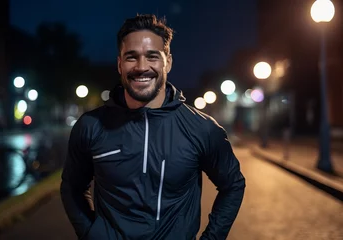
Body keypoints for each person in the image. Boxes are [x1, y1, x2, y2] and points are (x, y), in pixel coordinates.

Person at [61, 14, 245, 240]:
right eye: (131, 57)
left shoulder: (202, 129)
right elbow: (71, 187)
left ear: (168, 61)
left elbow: (233, 185)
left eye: (152, 56)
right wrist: (91, 233)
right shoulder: (90, 126)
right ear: (119, 64)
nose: (141, 67)